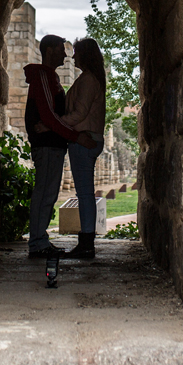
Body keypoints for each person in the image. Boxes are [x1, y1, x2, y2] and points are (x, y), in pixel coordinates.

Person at [23, 34, 94, 259]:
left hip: (52, 144)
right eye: (62, 50)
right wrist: (75, 136)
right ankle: (36, 243)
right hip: (46, 145)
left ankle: (40, 240)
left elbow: (52, 118)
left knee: (48, 193)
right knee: (44, 193)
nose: (66, 55)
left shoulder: (49, 77)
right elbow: (49, 116)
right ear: (51, 50)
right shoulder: (43, 76)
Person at [61, 37, 107, 260]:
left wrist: (56, 124)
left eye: (76, 52)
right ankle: (86, 240)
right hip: (86, 138)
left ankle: (87, 242)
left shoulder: (88, 80)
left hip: (84, 140)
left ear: (85, 55)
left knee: (85, 194)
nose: (73, 56)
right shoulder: (89, 79)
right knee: (85, 193)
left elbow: (79, 113)